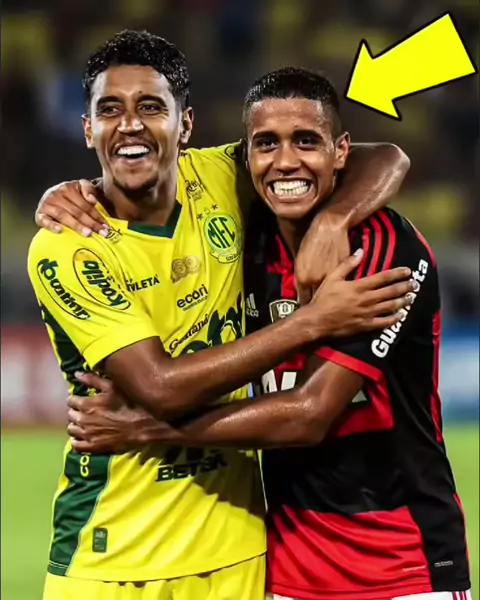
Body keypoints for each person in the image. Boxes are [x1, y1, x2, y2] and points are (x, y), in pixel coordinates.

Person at [28, 32, 414, 600]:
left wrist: (335, 220)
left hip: (239, 553)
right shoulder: (68, 245)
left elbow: (383, 157)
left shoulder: (221, 176)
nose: (129, 125)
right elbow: (160, 387)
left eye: (151, 107)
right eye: (109, 110)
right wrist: (312, 322)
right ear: (88, 129)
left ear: (185, 125)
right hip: (113, 557)